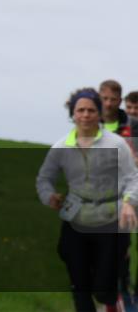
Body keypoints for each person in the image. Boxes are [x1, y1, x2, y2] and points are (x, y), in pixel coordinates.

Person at [37, 88, 138, 312]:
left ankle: (113, 299)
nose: (85, 115)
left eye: (91, 110)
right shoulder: (61, 147)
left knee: (104, 290)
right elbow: (44, 178)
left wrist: (130, 203)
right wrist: (49, 196)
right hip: (76, 218)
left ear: (99, 113)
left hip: (111, 219)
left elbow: (133, 178)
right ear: (72, 113)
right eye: (80, 110)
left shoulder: (117, 144)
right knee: (79, 286)